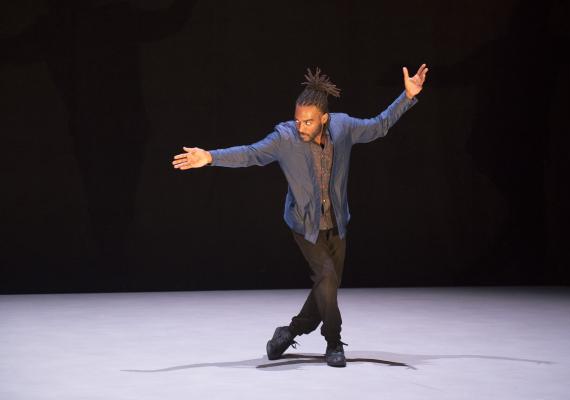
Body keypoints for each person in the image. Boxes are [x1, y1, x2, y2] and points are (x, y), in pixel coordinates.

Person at [172, 65, 428, 367]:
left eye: (308, 121)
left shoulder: (343, 127)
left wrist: (407, 97)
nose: (301, 126)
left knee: (326, 287)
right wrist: (210, 157)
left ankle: (289, 331)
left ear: (324, 118)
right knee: (327, 279)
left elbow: (379, 125)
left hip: (337, 223)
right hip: (304, 226)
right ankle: (333, 341)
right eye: (298, 120)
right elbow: (251, 153)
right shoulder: (285, 138)